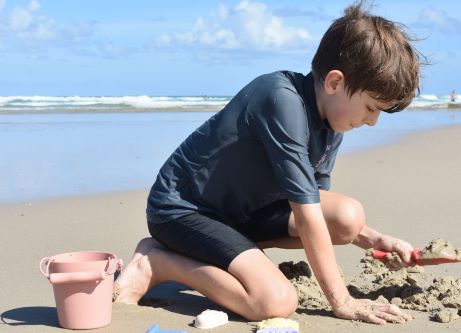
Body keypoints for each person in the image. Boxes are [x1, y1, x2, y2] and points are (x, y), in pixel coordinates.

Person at [114, 2, 421, 325]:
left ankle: (227, 252)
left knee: (348, 218)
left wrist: (374, 240)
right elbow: (306, 216)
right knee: (274, 300)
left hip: (240, 214)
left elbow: (315, 205)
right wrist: (341, 300)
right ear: (334, 83)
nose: (372, 122)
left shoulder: (332, 122)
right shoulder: (281, 100)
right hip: (183, 210)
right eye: (371, 108)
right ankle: (158, 262)